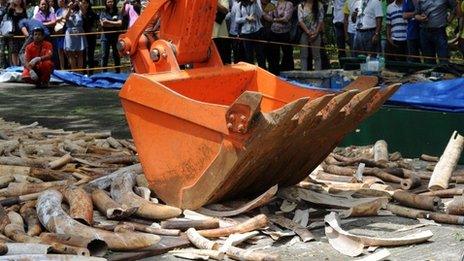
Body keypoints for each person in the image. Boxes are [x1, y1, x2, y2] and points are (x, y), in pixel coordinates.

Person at [415, 0, 461, 64]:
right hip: (424, 32)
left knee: (443, 59)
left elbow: (456, 6)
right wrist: (420, 17)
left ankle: (444, 72)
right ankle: (431, 73)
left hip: (439, 32)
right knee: (428, 61)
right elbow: (416, 14)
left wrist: (449, 20)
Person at [263, 0, 294, 74]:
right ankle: (274, 73)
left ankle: (288, 72)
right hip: (273, 32)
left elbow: (286, 19)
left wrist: (274, 20)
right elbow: (266, 15)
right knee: (273, 55)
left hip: (285, 33)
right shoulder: (273, 3)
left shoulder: (289, 4)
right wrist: (273, 19)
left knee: (287, 54)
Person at [235, 0, 266, 69]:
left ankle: (263, 70)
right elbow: (237, 19)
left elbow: (260, 15)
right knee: (249, 55)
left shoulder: (255, 3)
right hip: (246, 33)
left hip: (257, 30)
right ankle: (251, 71)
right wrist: (246, 18)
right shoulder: (240, 5)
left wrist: (256, 4)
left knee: (260, 53)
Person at [298, 0, 324, 70]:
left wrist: (316, 32)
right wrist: (308, 32)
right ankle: (303, 74)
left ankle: (318, 75)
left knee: (317, 56)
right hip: (305, 33)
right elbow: (300, 21)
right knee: (303, 55)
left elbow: (320, 20)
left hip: (316, 33)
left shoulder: (319, 5)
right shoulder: (301, 5)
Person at [100, 0, 122, 72]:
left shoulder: (118, 12)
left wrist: (108, 22)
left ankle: (118, 72)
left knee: (116, 55)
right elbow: (103, 24)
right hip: (105, 37)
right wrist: (115, 23)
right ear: (106, 3)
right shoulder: (103, 12)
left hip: (115, 37)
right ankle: (104, 73)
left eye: (111, 1)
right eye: (108, 2)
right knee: (104, 55)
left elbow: (120, 23)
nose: (110, 3)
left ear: (114, 2)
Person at [63, 0, 86, 70]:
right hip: (70, 33)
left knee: (80, 53)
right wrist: (69, 8)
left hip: (79, 32)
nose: (72, 3)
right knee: (71, 54)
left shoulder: (80, 10)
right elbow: (65, 17)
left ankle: (80, 72)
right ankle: (74, 72)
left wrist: (80, 4)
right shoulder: (65, 10)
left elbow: (84, 13)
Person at [6, 0, 27, 66]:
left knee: (22, 50)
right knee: (14, 51)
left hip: (22, 33)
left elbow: (26, 21)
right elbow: (8, 17)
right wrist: (10, 6)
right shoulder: (11, 9)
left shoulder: (24, 10)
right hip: (14, 33)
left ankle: (22, 65)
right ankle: (15, 66)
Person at [81, 0, 98, 74]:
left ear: (88, 4)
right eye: (83, 3)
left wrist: (96, 29)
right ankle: (84, 72)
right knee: (83, 54)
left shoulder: (92, 12)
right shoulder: (79, 12)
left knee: (90, 54)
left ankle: (91, 72)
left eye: (85, 3)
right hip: (82, 35)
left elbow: (95, 23)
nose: (84, 4)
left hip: (91, 36)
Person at [333, 0, 347, 65]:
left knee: (353, 46)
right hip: (338, 23)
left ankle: (355, 67)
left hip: (349, 23)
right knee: (341, 48)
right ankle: (342, 66)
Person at [54, 0, 67, 69]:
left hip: (66, 33)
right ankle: (62, 69)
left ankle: (70, 67)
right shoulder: (58, 10)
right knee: (60, 52)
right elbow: (55, 19)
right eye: (58, 1)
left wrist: (59, 18)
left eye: (60, 1)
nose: (59, 2)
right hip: (58, 32)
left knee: (67, 52)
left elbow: (64, 18)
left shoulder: (67, 9)